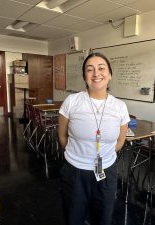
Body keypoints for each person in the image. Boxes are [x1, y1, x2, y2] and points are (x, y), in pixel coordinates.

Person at [58, 52, 130, 225]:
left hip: (106, 172)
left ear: (110, 74)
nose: (96, 74)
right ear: (85, 76)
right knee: (73, 218)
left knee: (103, 219)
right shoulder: (72, 101)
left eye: (101, 68)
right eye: (90, 70)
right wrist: (77, 155)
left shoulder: (120, 106)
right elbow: (62, 135)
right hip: (75, 172)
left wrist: (104, 156)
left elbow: (120, 141)